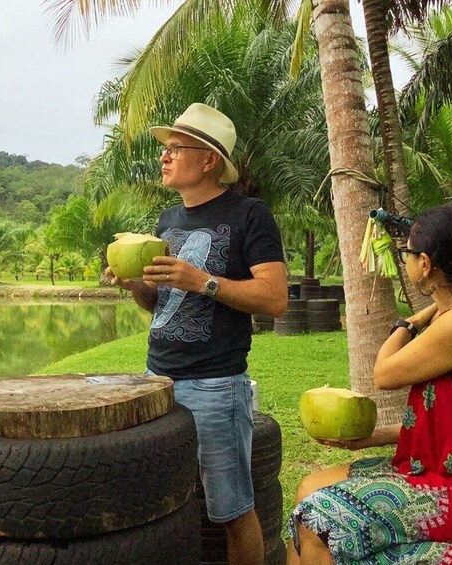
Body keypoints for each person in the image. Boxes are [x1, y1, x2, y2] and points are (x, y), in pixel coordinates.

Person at [288, 203, 452, 564]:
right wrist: (375, 437)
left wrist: (407, 323)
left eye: (407, 253)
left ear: (426, 264)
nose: (403, 260)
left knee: (317, 518)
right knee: (309, 487)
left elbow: (384, 374)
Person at [106, 103, 288, 564]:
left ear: (209, 160)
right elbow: (159, 304)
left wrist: (200, 280)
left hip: (214, 384)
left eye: (175, 149)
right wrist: (134, 285)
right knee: (166, 500)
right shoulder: (167, 221)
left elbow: (275, 299)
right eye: (164, 150)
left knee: (231, 510)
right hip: (157, 379)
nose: (163, 158)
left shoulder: (249, 214)